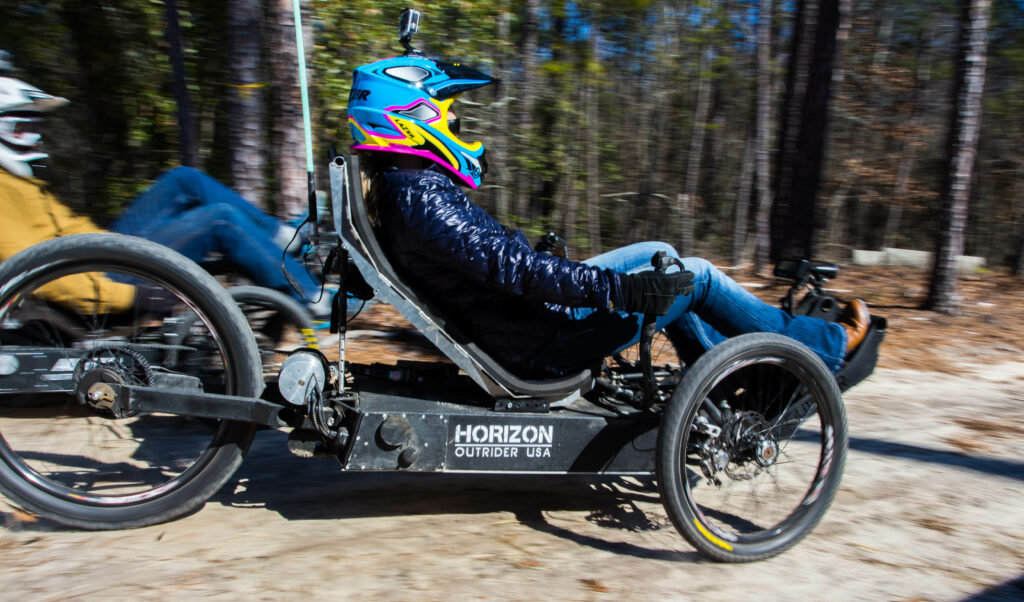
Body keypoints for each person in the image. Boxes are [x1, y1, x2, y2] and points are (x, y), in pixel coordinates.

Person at [347, 53, 870, 378]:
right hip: (539, 339)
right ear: (411, 118)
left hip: (524, 319)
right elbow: (519, 274)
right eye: (449, 113)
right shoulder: (422, 199)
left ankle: (720, 375)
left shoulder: (410, 189)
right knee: (695, 279)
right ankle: (822, 347)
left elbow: (494, 261)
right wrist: (617, 291)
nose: (458, 124)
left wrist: (532, 249)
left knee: (663, 260)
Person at [0, 60, 326, 316]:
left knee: (185, 179)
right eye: (21, 128)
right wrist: (128, 294)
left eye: (34, 125)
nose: (35, 137)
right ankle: (311, 296)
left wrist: (122, 246)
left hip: (99, 257)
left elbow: (71, 229)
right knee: (220, 219)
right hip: (101, 283)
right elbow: (38, 270)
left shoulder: (18, 181)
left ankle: (284, 239)